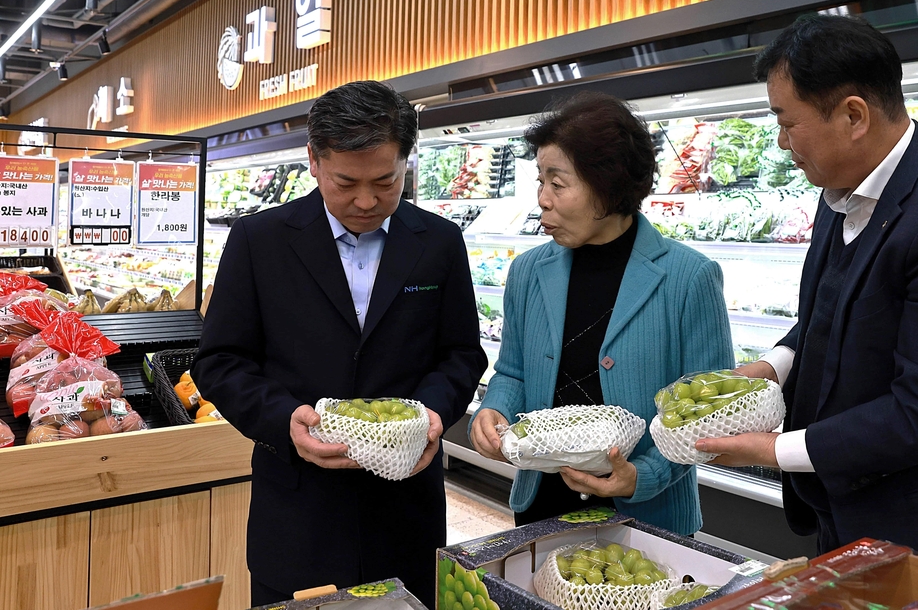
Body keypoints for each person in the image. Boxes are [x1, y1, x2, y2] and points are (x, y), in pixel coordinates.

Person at [695, 15, 918, 578]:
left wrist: (772, 450)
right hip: (846, 514)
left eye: (787, 122)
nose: (783, 144)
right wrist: (771, 366)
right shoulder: (842, 192)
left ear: (854, 115)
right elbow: (830, 313)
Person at [192, 81, 487, 608]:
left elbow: (462, 354)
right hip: (299, 510)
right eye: (345, 182)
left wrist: (436, 413)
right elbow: (220, 362)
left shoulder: (439, 242)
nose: (367, 201)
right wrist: (285, 420)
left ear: (406, 161)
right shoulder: (259, 241)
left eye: (386, 181)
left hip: (406, 507)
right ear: (313, 160)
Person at [470, 91, 735, 534]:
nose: (542, 199)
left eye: (558, 183)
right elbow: (513, 371)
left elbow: (708, 416)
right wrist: (492, 409)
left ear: (608, 185)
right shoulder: (528, 271)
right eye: (540, 181)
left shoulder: (689, 277)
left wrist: (643, 475)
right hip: (542, 501)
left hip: (647, 515)